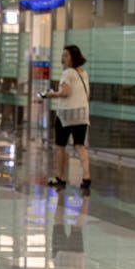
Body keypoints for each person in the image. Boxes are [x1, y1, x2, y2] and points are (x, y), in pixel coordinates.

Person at [46, 45, 91, 190]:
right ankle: (86, 176)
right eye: (63, 54)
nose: (63, 57)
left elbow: (65, 93)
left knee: (60, 146)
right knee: (80, 145)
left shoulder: (67, 73)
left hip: (66, 114)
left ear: (73, 57)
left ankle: (60, 177)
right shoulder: (83, 73)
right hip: (82, 114)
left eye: (66, 55)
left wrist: (51, 94)